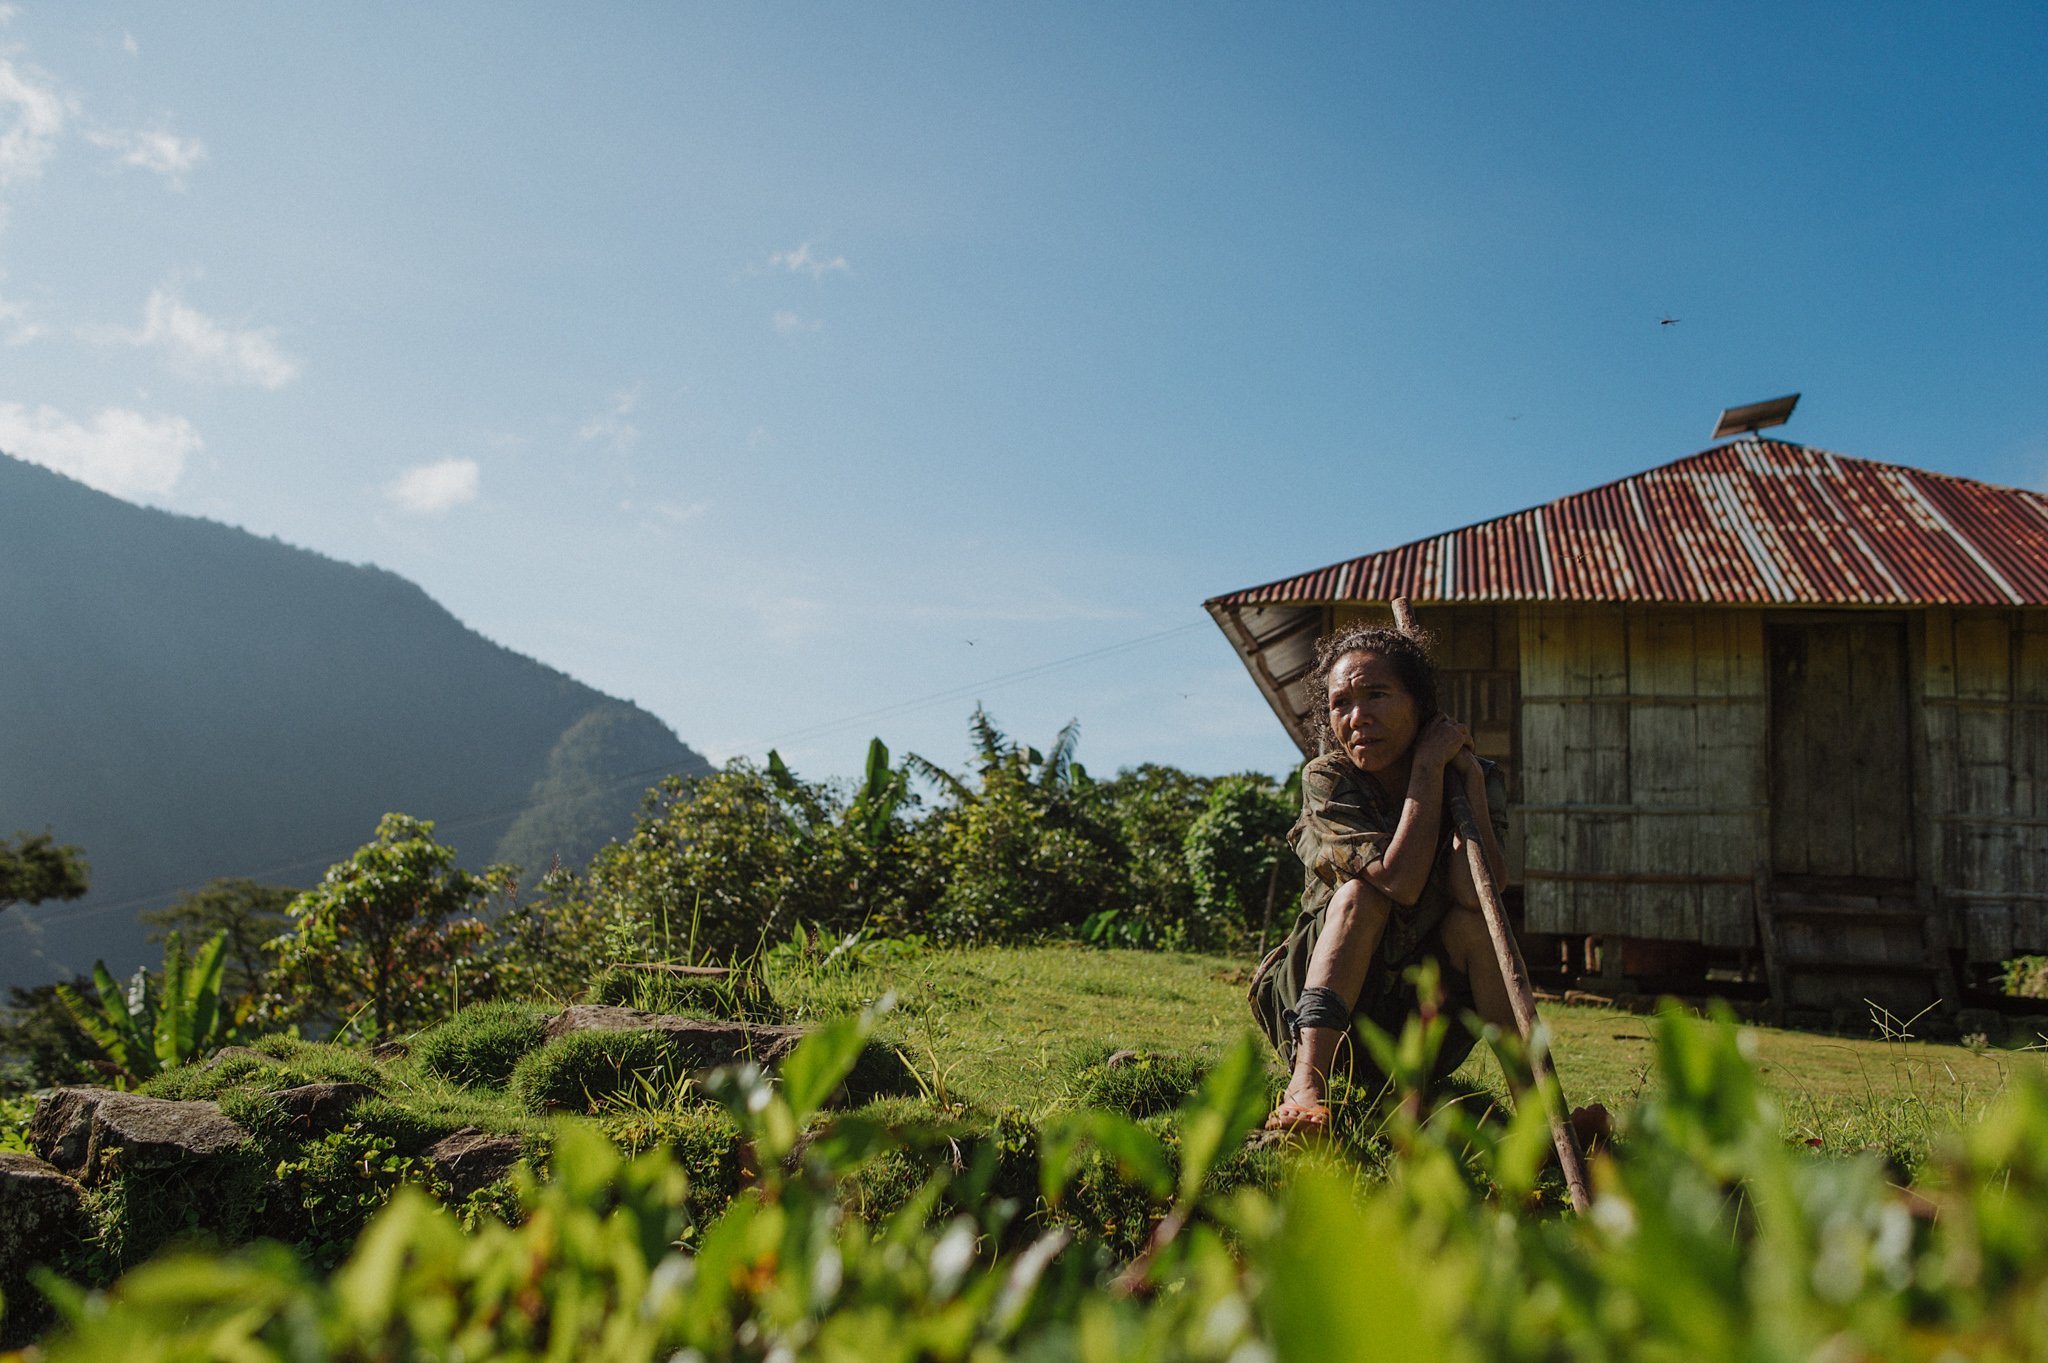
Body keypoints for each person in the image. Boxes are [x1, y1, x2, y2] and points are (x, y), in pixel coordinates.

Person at [1249, 623, 1606, 1142]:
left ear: (1420, 706)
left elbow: (1478, 891)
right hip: (1319, 1019)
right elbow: (1399, 882)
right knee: (1359, 895)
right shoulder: (1330, 780)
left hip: (1414, 1025)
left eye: (1376, 695)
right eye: (1340, 703)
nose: (1357, 717)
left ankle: (1541, 1120)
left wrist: (1470, 784)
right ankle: (1305, 1087)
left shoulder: (1470, 773)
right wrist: (1426, 770)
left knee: (1477, 925)